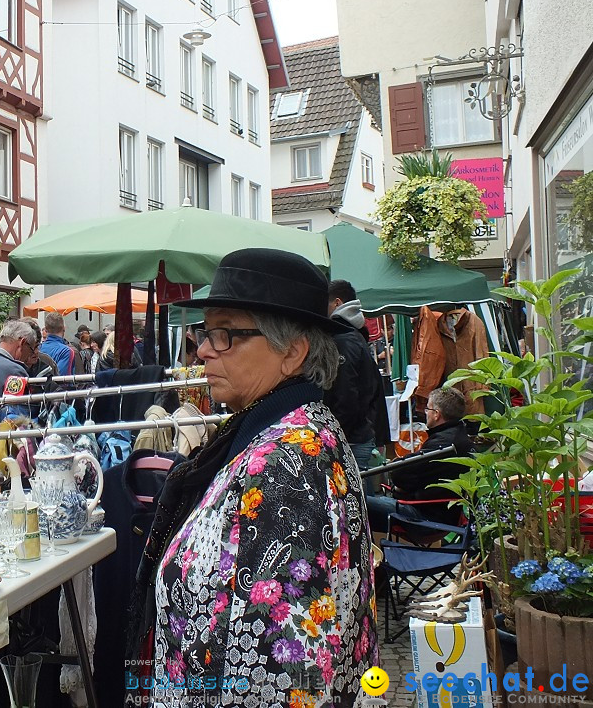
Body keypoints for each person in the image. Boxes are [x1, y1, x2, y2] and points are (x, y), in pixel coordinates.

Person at [126, 248, 377, 707]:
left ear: (292, 352)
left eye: (224, 335)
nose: (203, 348)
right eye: (206, 332)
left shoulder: (288, 464)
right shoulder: (273, 430)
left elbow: (282, 672)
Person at [365, 387, 474, 532]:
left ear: (436, 414)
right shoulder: (459, 435)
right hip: (437, 512)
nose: (424, 412)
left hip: (426, 518)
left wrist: (401, 487)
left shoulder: (444, 443)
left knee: (356, 503)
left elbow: (399, 473)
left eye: (428, 408)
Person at [323, 280, 390, 491]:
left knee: (354, 502)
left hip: (351, 439)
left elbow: (346, 396)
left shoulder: (343, 340)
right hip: (359, 435)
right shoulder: (355, 336)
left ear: (336, 303)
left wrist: (334, 434)